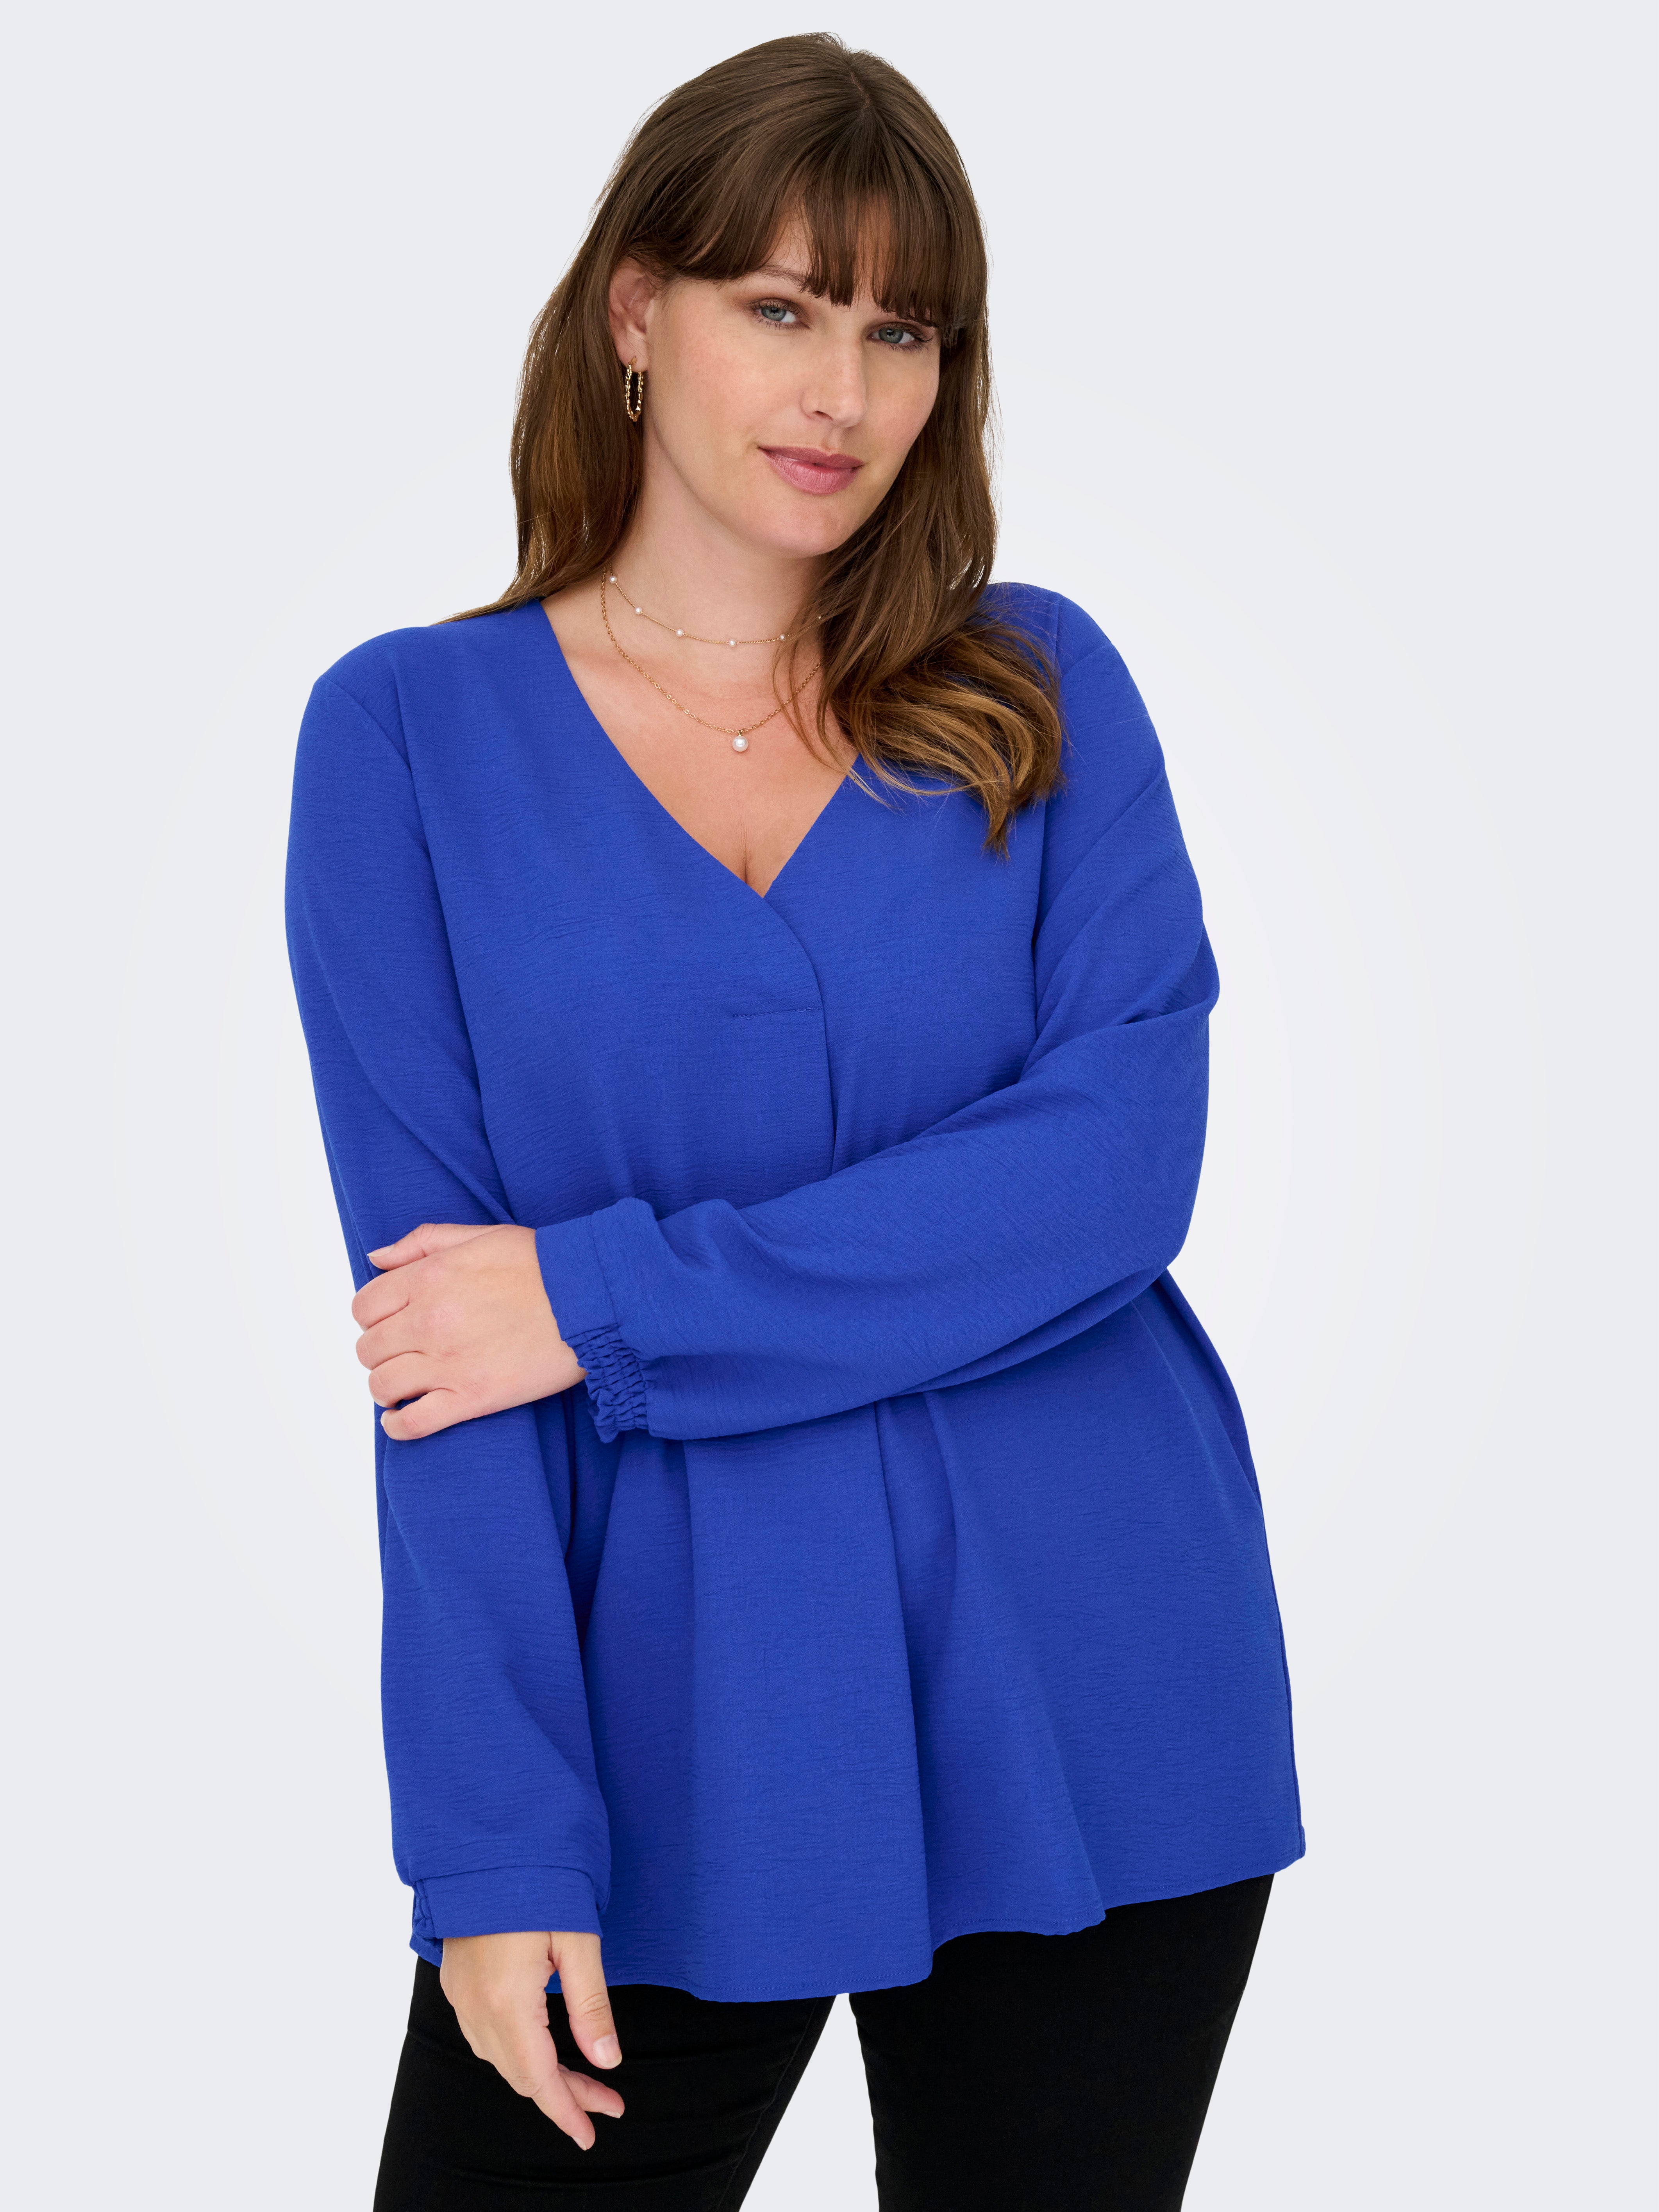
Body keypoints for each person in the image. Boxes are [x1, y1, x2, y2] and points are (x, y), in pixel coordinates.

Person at [284, 32, 1304, 2211]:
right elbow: (438, 1338)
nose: (843, 389)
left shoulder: (1036, 689)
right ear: (634, 316)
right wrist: (492, 1844)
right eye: (781, 306)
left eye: (902, 331)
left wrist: (599, 1300)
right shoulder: (403, 736)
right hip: (660, 1712)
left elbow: (1112, 1176)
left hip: (1090, 1670)